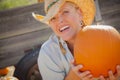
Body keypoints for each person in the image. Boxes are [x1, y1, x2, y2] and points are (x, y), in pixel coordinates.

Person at [32, 0, 120, 80]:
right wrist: (73, 77)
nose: (60, 21)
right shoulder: (48, 52)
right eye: (53, 18)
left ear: (80, 13)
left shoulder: (106, 38)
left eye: (65, 12)